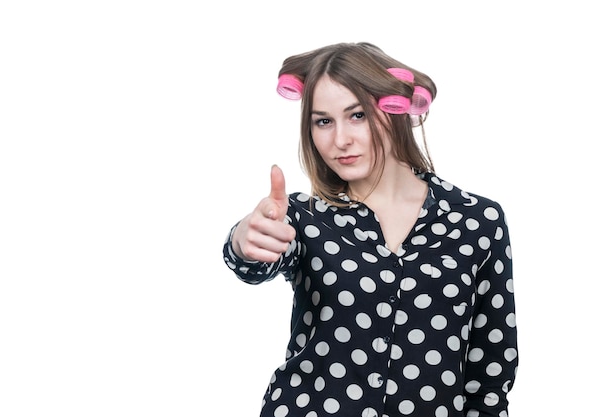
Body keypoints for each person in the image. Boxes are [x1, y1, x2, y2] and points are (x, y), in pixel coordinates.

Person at [222, 42, 518, 417]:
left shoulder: (477, 221)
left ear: (394, 110)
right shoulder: (304, 217)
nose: (340, 139)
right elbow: (254, 261)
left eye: (357, 115)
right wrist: (244, 239)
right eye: (323, 121)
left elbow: (490, 372)